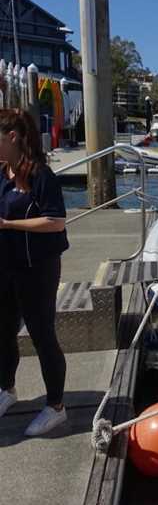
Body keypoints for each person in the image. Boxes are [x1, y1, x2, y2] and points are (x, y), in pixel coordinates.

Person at [0, 109, 69, 436]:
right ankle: (7, 389)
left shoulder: (41, 176)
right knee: (2, 331)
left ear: (13, 137)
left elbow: (56, 221)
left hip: (37, 269)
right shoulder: (3, 175)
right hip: (6, 267)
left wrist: (9, 224)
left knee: (42, 335)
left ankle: (56, 406)